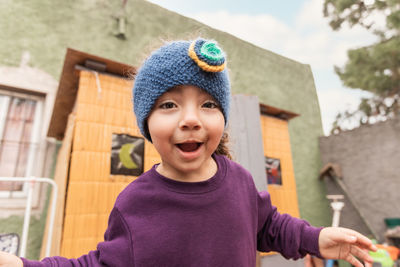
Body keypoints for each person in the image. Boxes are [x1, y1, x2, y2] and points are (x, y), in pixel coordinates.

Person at [0, 38, 377, 267]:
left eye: (209, 105)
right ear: (145, 123)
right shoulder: (135, 203)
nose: (191, 120)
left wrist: (315, 238)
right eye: (168, 106)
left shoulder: (240, 180)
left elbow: (268, 226)